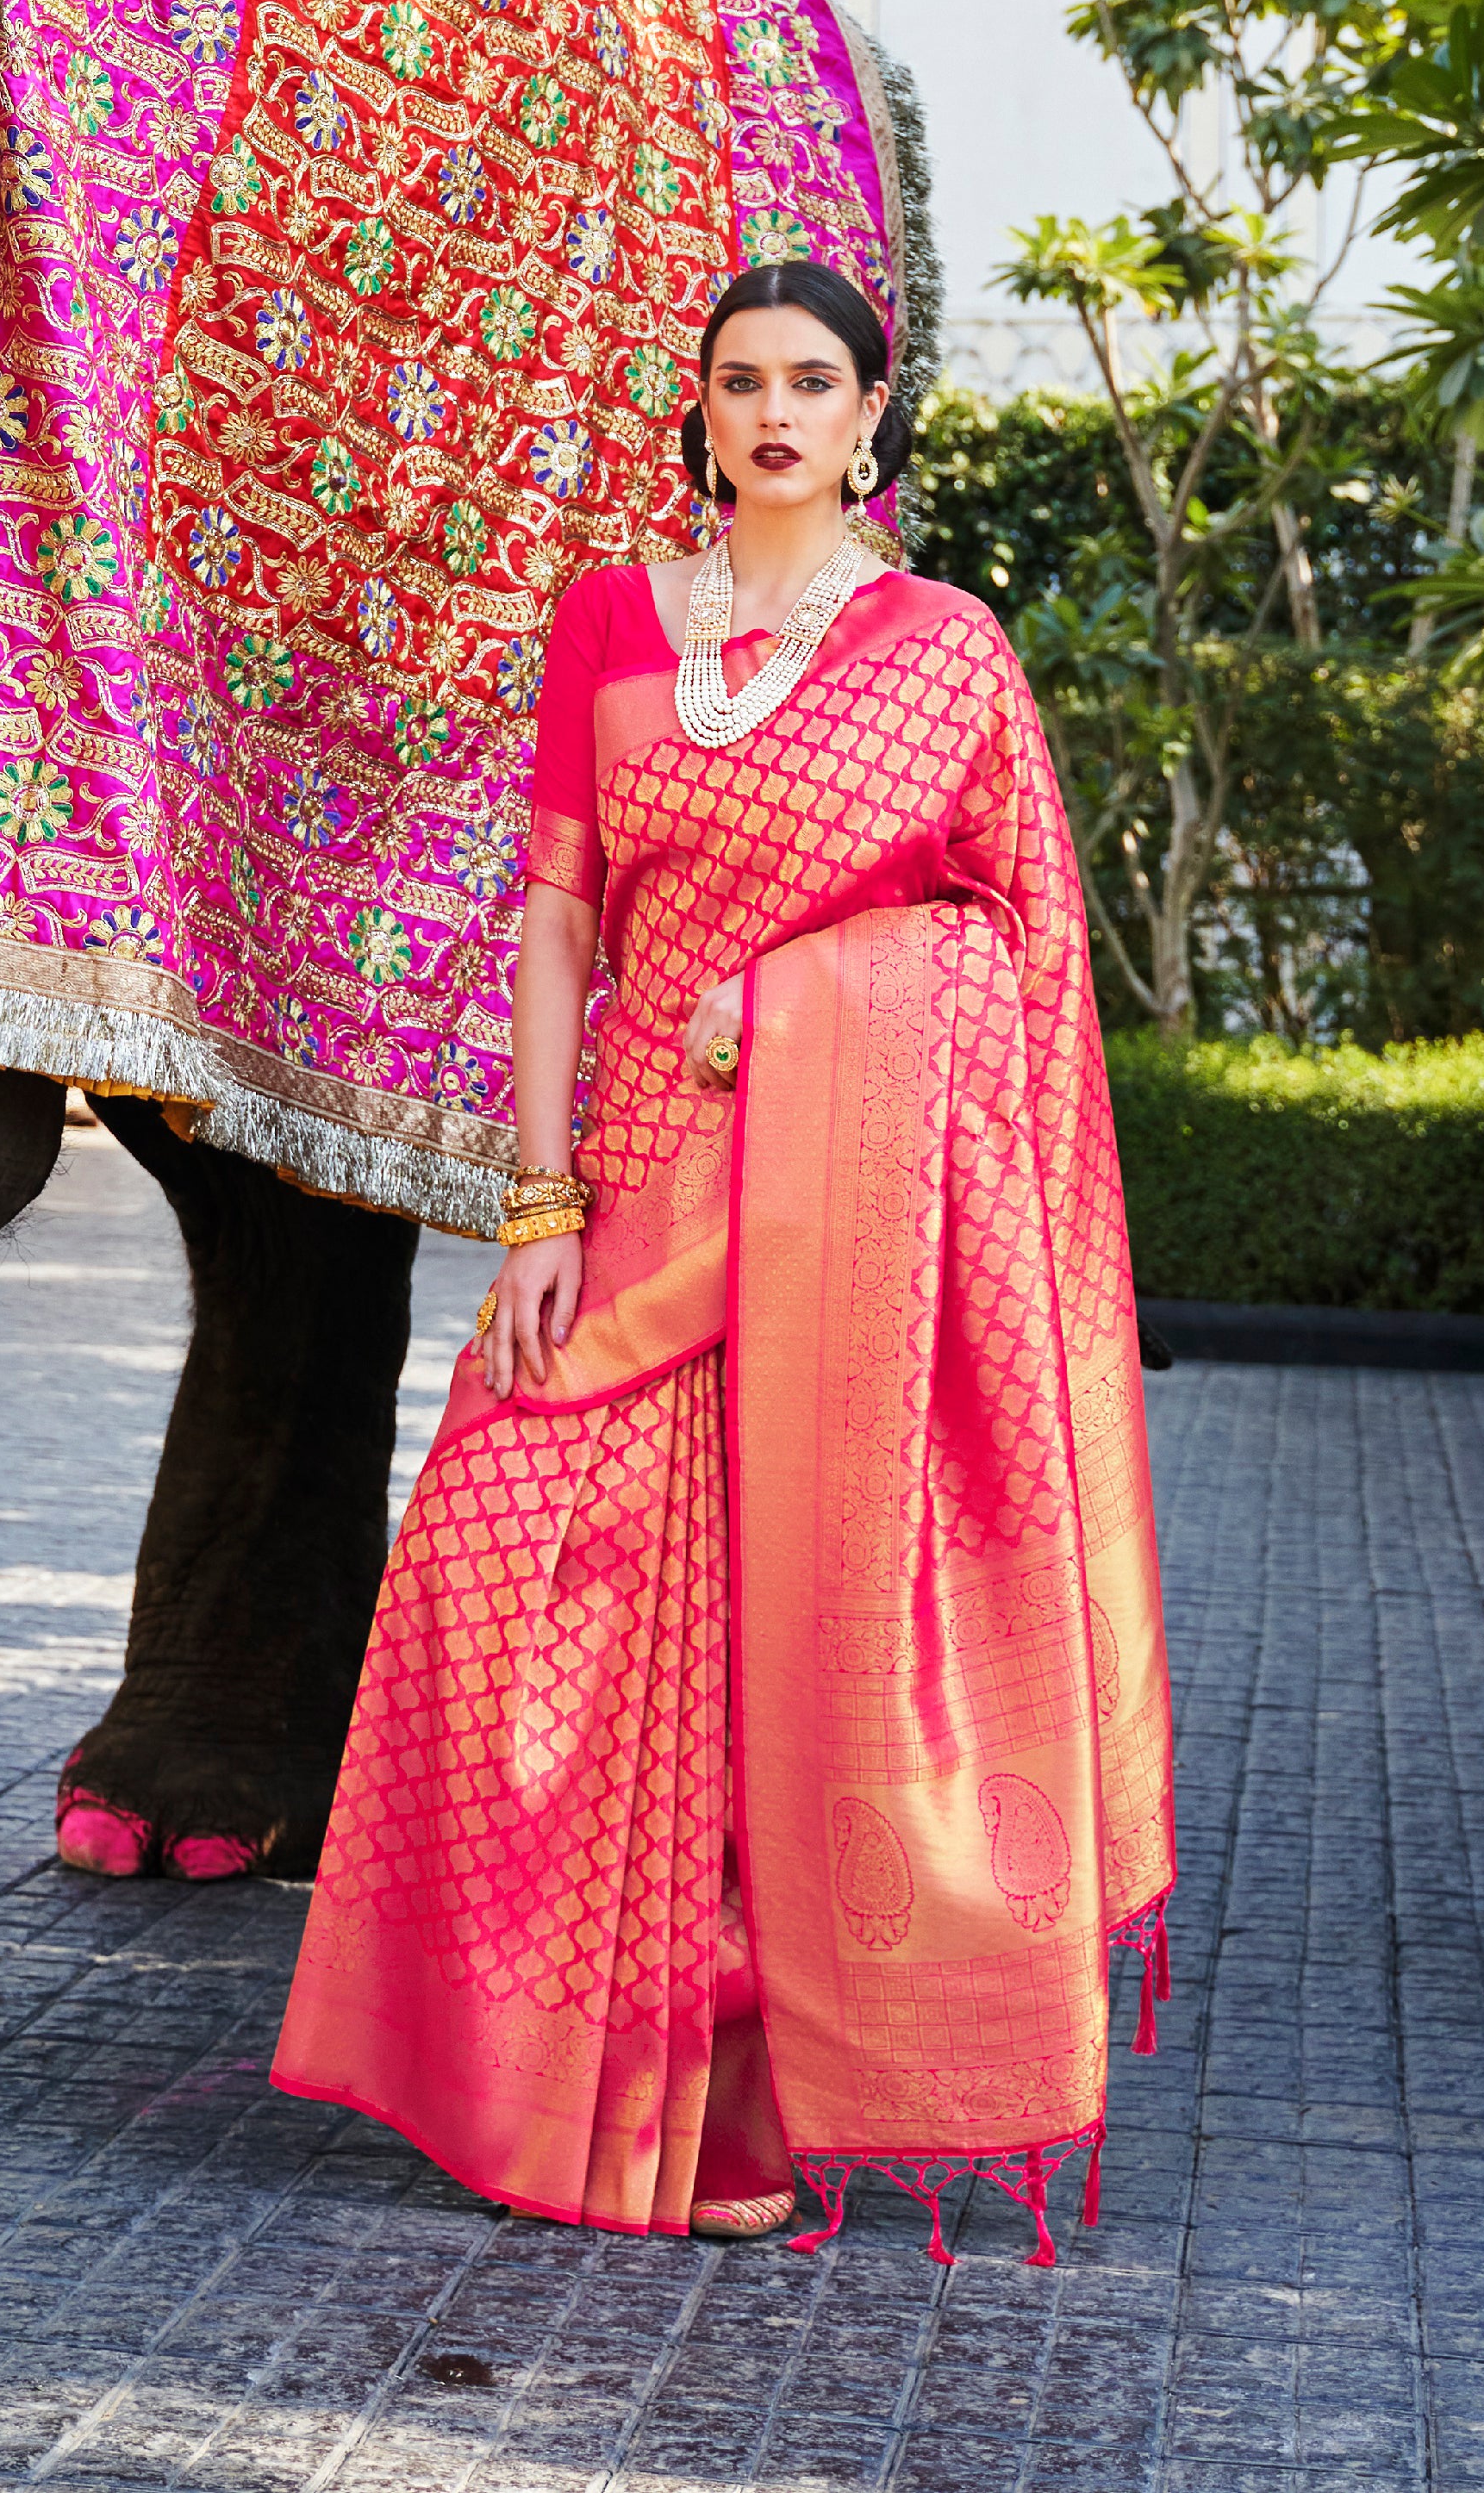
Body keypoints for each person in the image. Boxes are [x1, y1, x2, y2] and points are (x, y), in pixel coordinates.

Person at [273, 260, 1175, 2258]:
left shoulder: (943, 654)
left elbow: (1016, 963)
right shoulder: (607, 618)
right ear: (696, 410)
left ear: (872, 415)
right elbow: (555, 927)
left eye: (811, 382)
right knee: (496, 1570)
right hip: (629, 1193)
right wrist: (533, 1199)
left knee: (782, 1643)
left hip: (838, 1222)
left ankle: (735, 2105)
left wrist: (796, 1019)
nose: (772, 412)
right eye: (737, 382)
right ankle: (524, 2080)